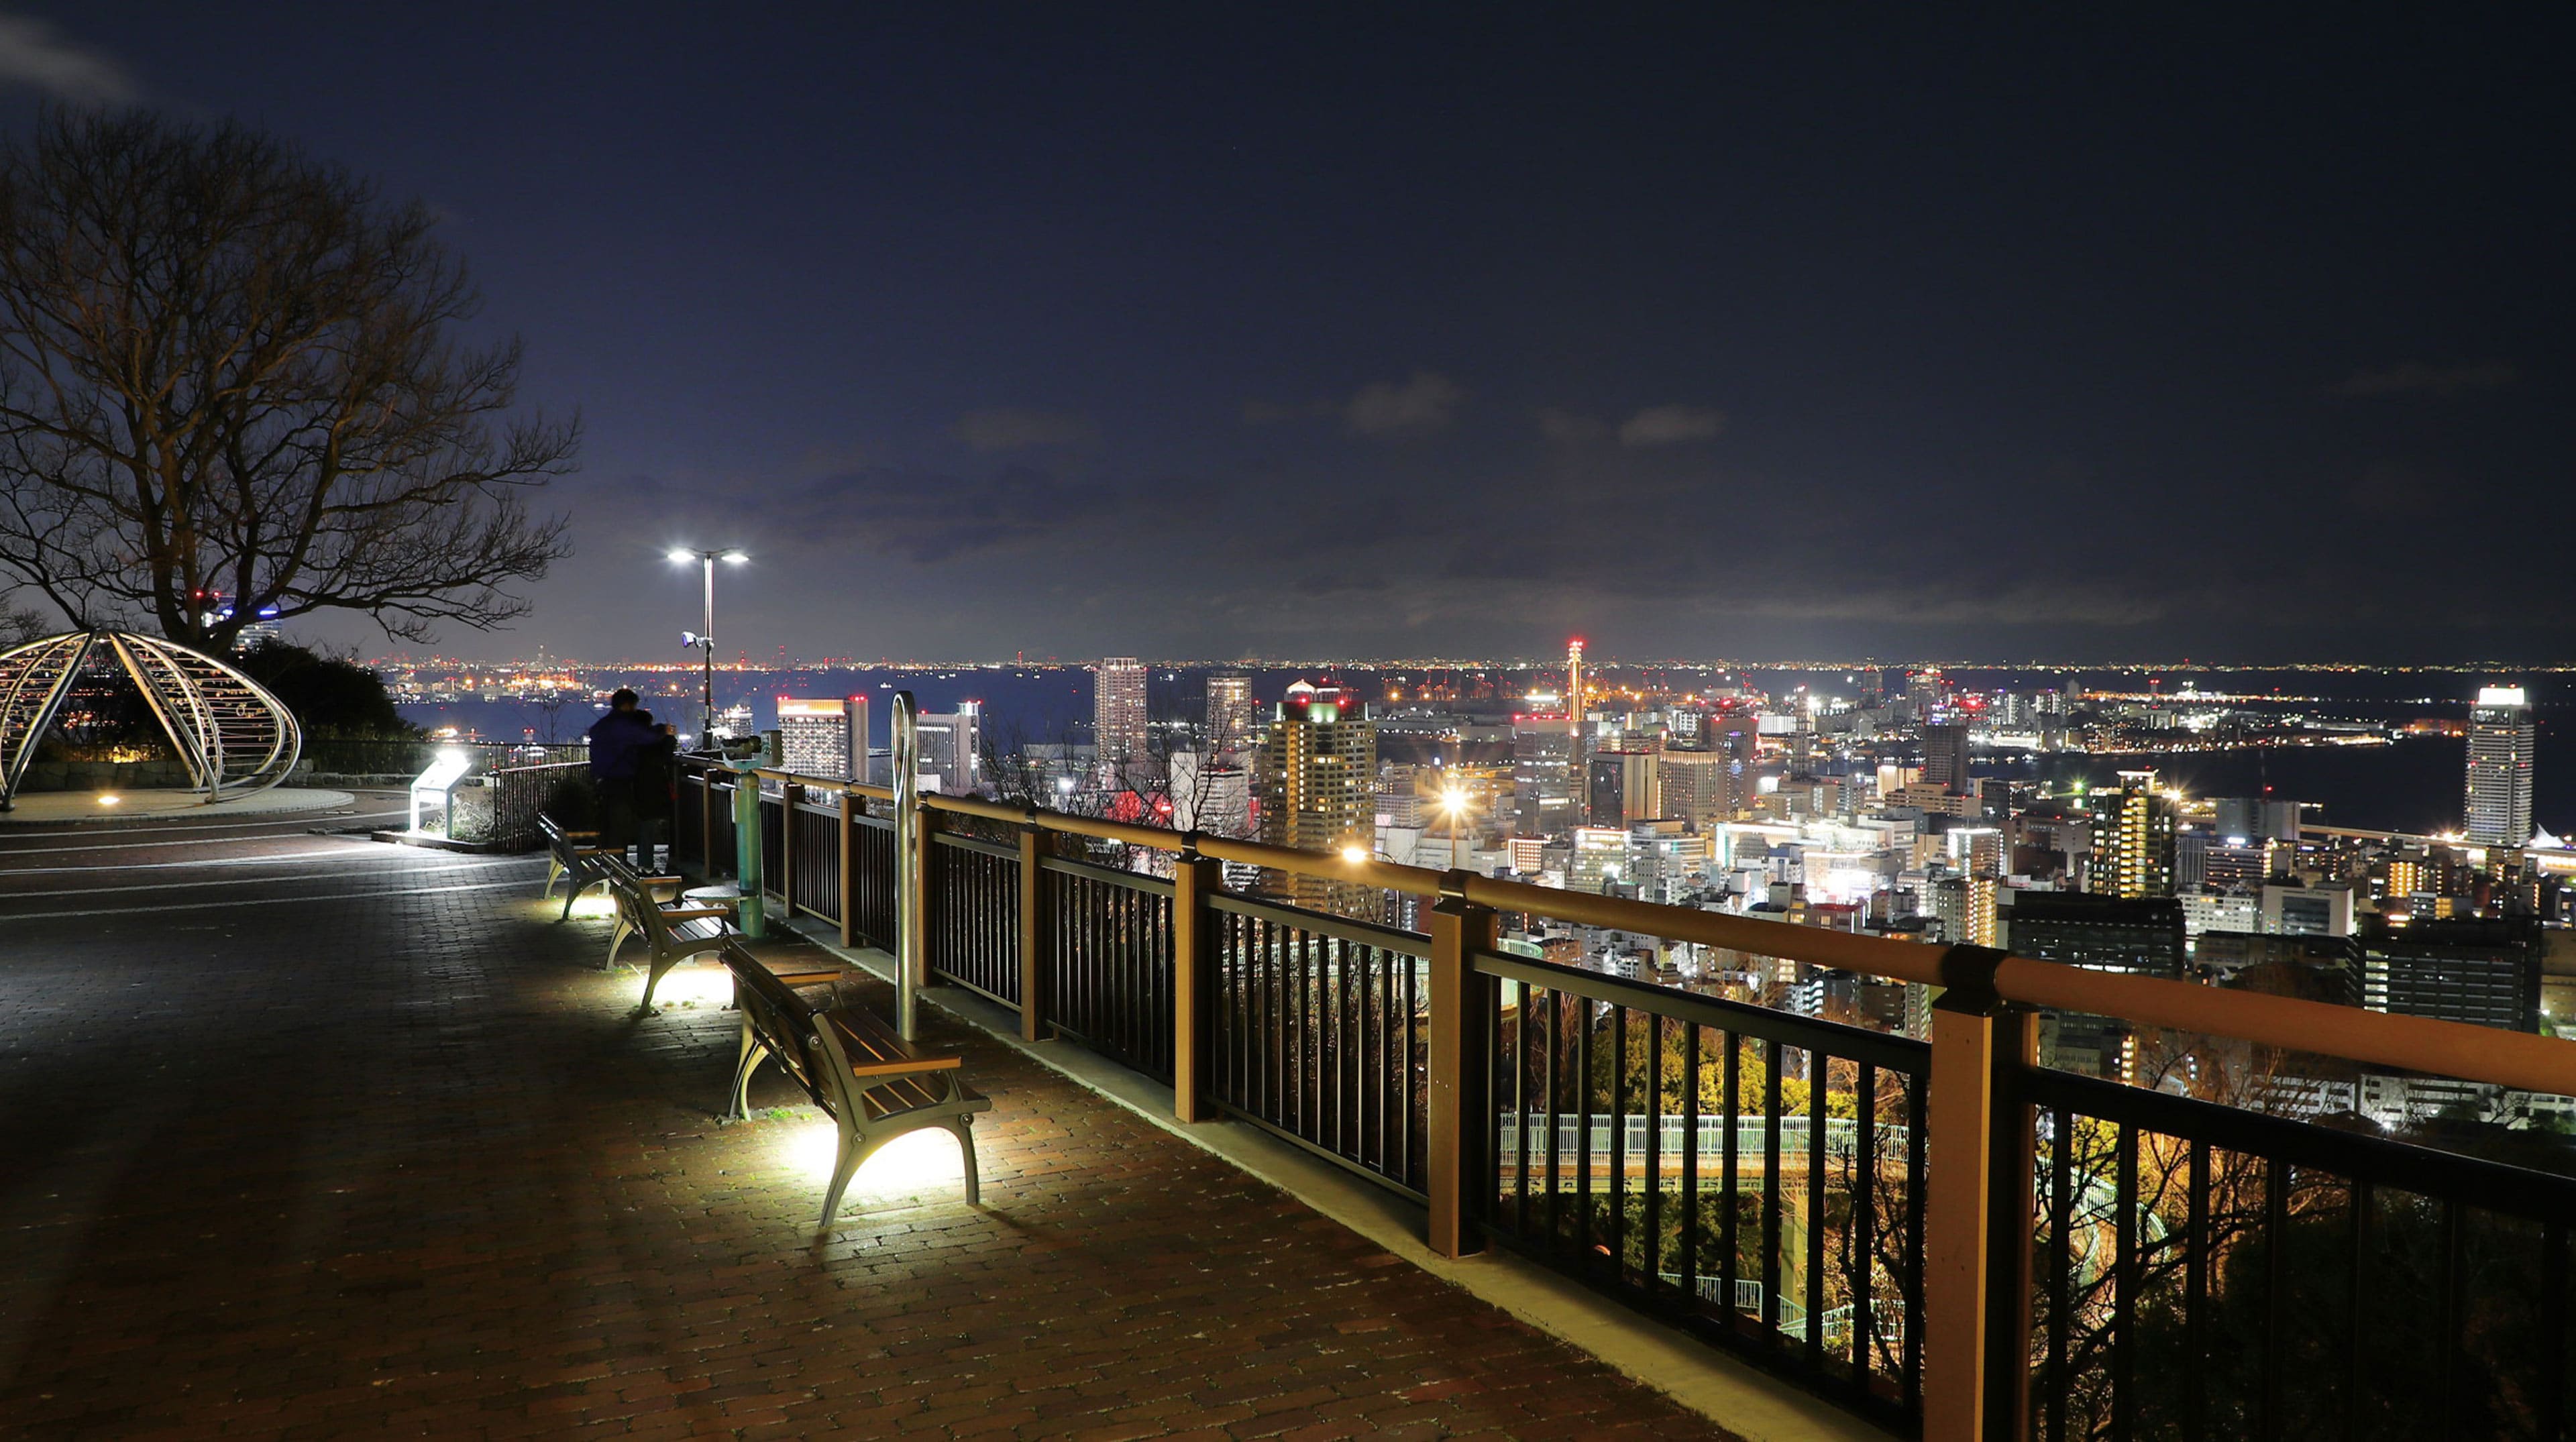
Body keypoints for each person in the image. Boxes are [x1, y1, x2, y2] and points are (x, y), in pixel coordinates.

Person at [584, 689, 656, 866]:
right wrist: (664, 731)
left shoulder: (603, 726)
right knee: (619, 825)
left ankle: (612, 862)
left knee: (608, 824)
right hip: (619, 781)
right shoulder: (622, 725)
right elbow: (647, 737)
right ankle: (617, 864)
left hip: (602, 780)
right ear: (627, 705)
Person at [633, 722, 679, 870]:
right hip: (650, 793)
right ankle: (646, 866)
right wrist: (670, 739)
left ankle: (645, 865)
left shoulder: (638, 745)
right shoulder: (652, 750)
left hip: (640, 792)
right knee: (648, 829)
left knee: (645, 830)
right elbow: (664, 758)